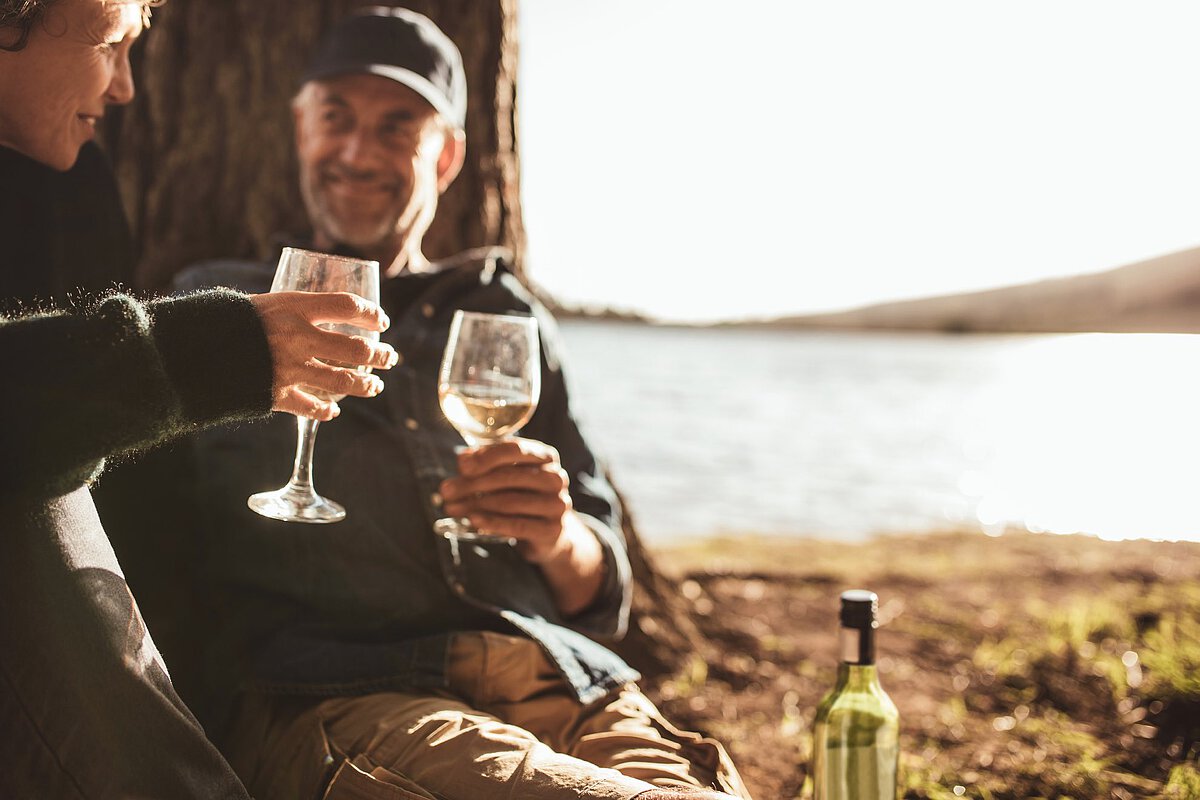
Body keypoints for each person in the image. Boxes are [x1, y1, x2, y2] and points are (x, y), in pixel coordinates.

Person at [177, 8, 751, 800]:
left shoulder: (505, 314)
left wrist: (556, 535)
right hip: (348, 694)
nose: (356, 151)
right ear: (300, 130)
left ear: (446, 155)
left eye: (396, 127)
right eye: (335, 119)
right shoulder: (222, 303)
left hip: (565, 681)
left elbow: (602, 589)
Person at [0, 1, 400, 797]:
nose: (124, 91)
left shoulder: (70, 181)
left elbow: (111, 463)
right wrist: (205, 356)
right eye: (111, 44)